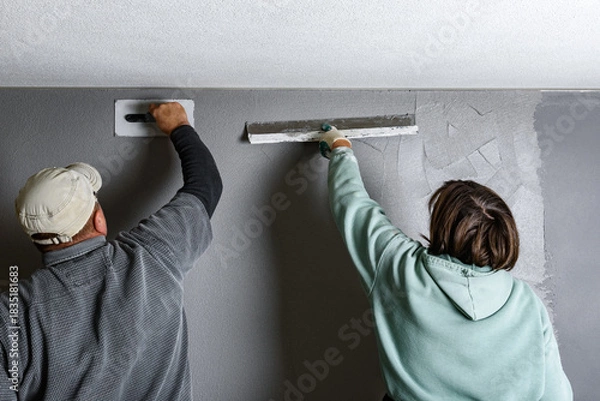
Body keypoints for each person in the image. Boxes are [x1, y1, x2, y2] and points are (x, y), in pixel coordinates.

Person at [319, 127, 573, 401]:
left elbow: (353, 206)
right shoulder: (528, 304)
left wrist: (340, 147)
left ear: (443, 228)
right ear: (504, 236)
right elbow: (558, 396)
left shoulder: (399, 267)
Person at [0, 102, 222, 400]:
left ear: (36, 238)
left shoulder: (11, 314)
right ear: (99, 219)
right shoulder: (153, 253)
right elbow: (206, 186)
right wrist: (180, 125)